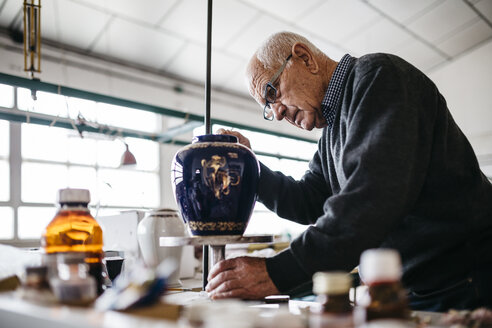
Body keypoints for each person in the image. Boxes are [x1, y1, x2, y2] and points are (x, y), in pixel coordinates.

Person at [205, 31, 492, 312]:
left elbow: (371, 199)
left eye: (272, 91)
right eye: (268, 108)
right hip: (409, 290)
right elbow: (308, 201)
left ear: (305, 58)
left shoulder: (380, 78)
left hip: (465, 283)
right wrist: (247, 165)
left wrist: (278, 272)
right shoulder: (332, 132)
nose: (277, 113)